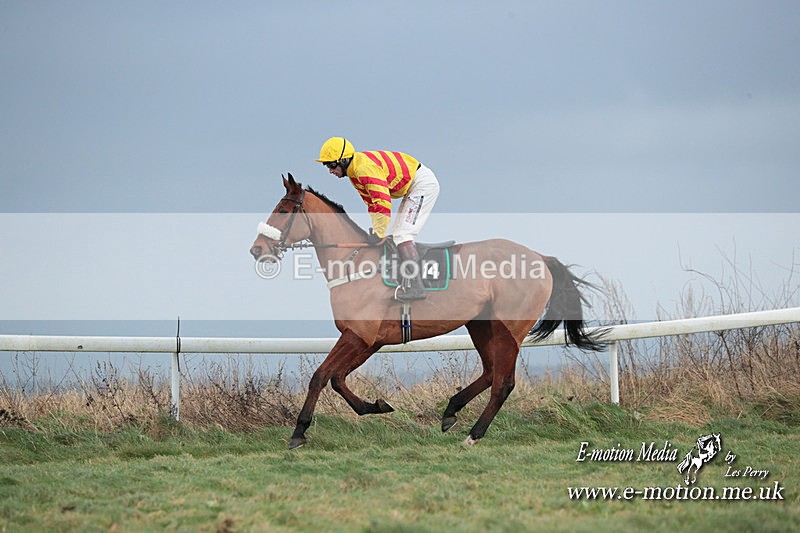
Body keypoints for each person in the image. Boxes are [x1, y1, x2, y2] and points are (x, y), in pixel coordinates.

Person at [316, 137, 440, 301]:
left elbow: (382, 202)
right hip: (412, 186)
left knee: (402, 235)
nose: (330, 171)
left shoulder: (363, 170)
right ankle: (403, 278)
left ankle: (417, 288)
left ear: (344, 160)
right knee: (395, 236)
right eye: (327, 166)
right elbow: (372, 204)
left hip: (422, 185)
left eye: (332, 165)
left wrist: (379, 233)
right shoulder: (355, 174)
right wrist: (377, 231)